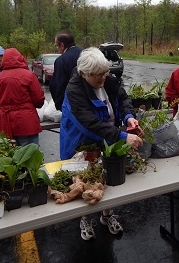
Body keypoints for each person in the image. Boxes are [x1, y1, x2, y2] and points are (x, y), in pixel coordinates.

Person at [60, 47, 143, 241]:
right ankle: (85, 218)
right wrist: (121, 136)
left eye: (105, 74)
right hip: (81, 143)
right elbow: (89, 123)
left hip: (107, 140)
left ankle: (106, 215)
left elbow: (123, 98)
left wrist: (129, 117)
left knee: (106, 180)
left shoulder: (108, 79)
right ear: (83, 74)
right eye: (97, 76)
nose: (102, 79)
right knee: (85, 183)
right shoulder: (74, 90)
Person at [0, 48, 45, 147]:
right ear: (21, 59)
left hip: (6, 123)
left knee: (10, 157)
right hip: (26, 122)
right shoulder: (29, 75)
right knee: (30, 157)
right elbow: (39, 100)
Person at [50, 30, 83, 110]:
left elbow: (58, 85)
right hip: (91, 104)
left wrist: (60, 106)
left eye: (56, 46)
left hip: (71, 105)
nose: (57, 49)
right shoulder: (87, 54)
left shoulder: (61, 60)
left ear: (62, 45)